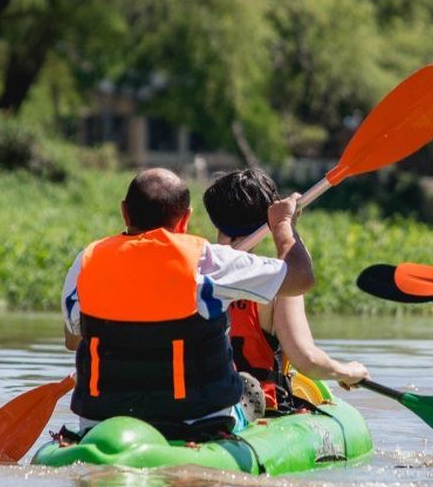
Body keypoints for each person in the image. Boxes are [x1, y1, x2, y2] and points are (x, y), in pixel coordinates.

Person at [59, 167, 315, 441]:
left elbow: (74, 340)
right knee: (245, 387)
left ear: (125, 212)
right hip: (194, 421)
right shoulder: (208, 262)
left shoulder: (87, 261)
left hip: (99, 420)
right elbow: (301, 277)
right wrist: (284, 225)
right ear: (185, 219)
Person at [203, 168, 368, 417]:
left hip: (203, 403)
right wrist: (347, 371)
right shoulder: (276, 282)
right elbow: (307, 360)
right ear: (266, 222)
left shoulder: (193, 271)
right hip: (260, 409)